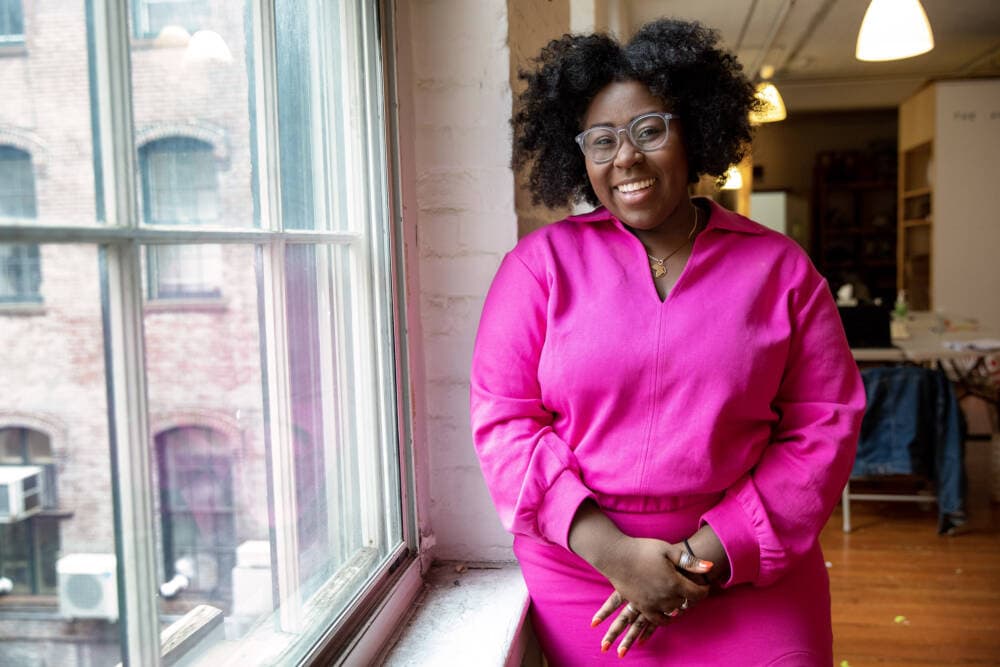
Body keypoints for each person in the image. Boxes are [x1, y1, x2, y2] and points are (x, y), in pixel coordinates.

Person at [469, 17, 865, 666]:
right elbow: (504, 421)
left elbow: (825, 426)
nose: (625, 157)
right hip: (589, 572)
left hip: (751, 564)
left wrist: (703, 556)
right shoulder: (538, 268)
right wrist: (616, 554)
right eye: (601, 140)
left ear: (694, 133)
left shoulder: (781, 269)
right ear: (580, 155)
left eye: (649, 130)